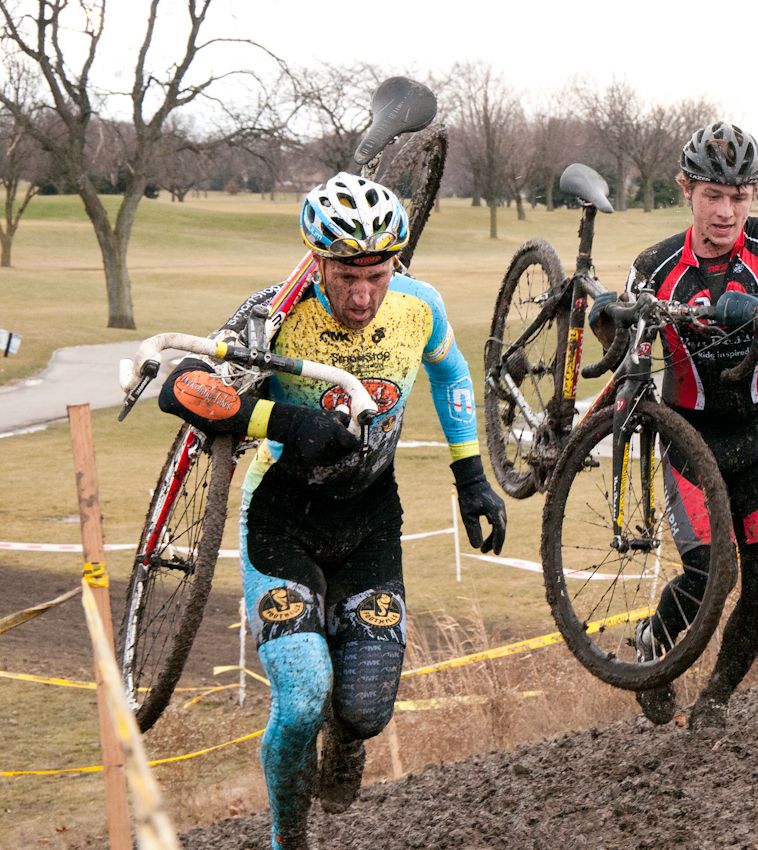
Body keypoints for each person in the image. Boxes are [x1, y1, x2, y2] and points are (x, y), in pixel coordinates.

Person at [156, 172, 506, 850]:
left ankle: (348, 743)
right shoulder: (275, 311)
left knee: (365, 710)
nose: (362, 294)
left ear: (395, 263)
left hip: (372, 520)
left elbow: (453, 372)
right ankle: (290, 839)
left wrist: (471, 475)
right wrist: (286, 418)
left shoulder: (419, 306)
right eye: (347, 275)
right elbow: (184, 387)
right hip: (283, 519)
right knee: (302, 695)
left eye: (376, 274)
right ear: (317, 262)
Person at [590, 122, 758, 730]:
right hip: (690, 438)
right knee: (710, 574)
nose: (726, 212)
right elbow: (621, 352)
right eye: (712, 196)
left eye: (739, 197)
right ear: (686, 190)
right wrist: (605, 317)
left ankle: (717, 698)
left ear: (752, 196)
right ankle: (655, 641)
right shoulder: (655, 263)